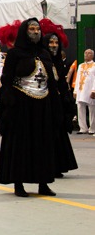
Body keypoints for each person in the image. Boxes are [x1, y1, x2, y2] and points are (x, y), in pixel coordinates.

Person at [0, 18, 58, 197]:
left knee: (43, 143)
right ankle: (18, 184)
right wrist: (8, 103)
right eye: (32, 28)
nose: (36, 32)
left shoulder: (45, 53)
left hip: (42, 104)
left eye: (38, 29)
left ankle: (43, 183)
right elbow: (7, 79)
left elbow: (50, 81)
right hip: (21, 105)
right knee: (21, 144)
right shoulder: (15, 54)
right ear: (25, 31)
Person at [39, 19, 78, 177]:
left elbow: (62, 82)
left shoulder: (59, 63)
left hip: (58, 104)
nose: (54, 45)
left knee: (59, 134)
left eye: (56, 42)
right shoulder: (40, 60)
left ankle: (59, 164)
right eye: (51, 42)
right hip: (44, 103)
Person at [74, 49, 95, 134]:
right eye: (85, 53)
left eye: (89, 53)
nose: (86, 54)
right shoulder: (80, 66)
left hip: (90, 90)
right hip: (80, 90)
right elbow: (77, 78)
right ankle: (83, 128)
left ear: (92, 55)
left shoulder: (94, 65)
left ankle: (92, 128)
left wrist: (94, 90)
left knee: (92, 109)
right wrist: (75, 91)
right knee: (80, 107)